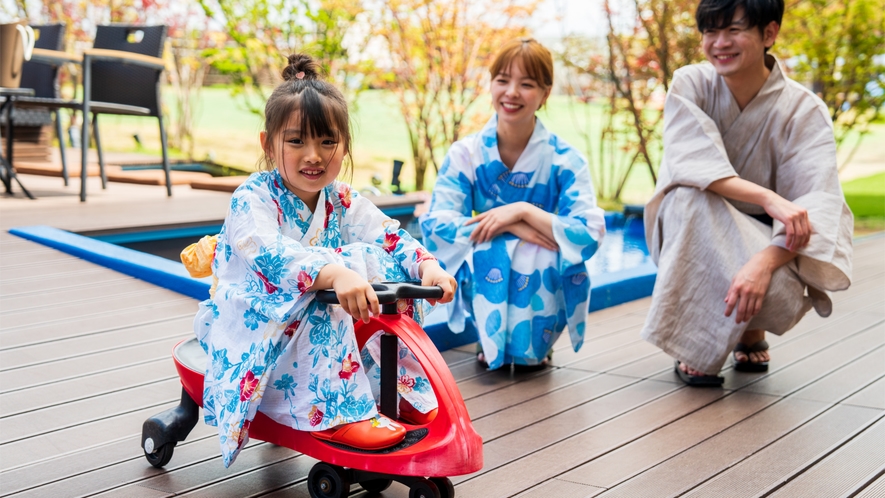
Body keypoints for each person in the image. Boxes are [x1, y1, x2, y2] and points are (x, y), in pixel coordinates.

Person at [191, 54, 457, 467]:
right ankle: (334, 412)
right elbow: (272, 254)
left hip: (311, 322)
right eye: (296, 141)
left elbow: (387, 234)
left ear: (344, 146)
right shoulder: (253, 198)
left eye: (327, 142)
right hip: (256, 319)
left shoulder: (342, 199)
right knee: (329, 289)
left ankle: (396, 386)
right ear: (268, 143)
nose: (313, 155)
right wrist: (333, 273)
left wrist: (427, 266)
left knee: (380, 266)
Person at [641, 0, 853, 386]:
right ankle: (696, 343)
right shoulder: (691, 83)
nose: (720, 43)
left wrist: (764, 262)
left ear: (769, 33)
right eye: (710, 31)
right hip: (692, 232)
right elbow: (692, 164)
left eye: (734, 30)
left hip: (773, 249)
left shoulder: (805, 111)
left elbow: (816, 207)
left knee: (767, 264)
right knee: (689, 197)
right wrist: (769, 199)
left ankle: (750, 327)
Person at [421, 38, 606, 372]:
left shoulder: (565, 160)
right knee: (488, 249)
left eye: (527, 84)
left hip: (542, 265)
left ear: (545, 94)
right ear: (491, 85)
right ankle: (490, 339)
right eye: (502, 80)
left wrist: (523, 211)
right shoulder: (467, 153)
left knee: (541, 253)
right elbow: (437, 222)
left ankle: (534, 346)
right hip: (487, 255)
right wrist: (510, 225)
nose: (511, 92)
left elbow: (588, 230)